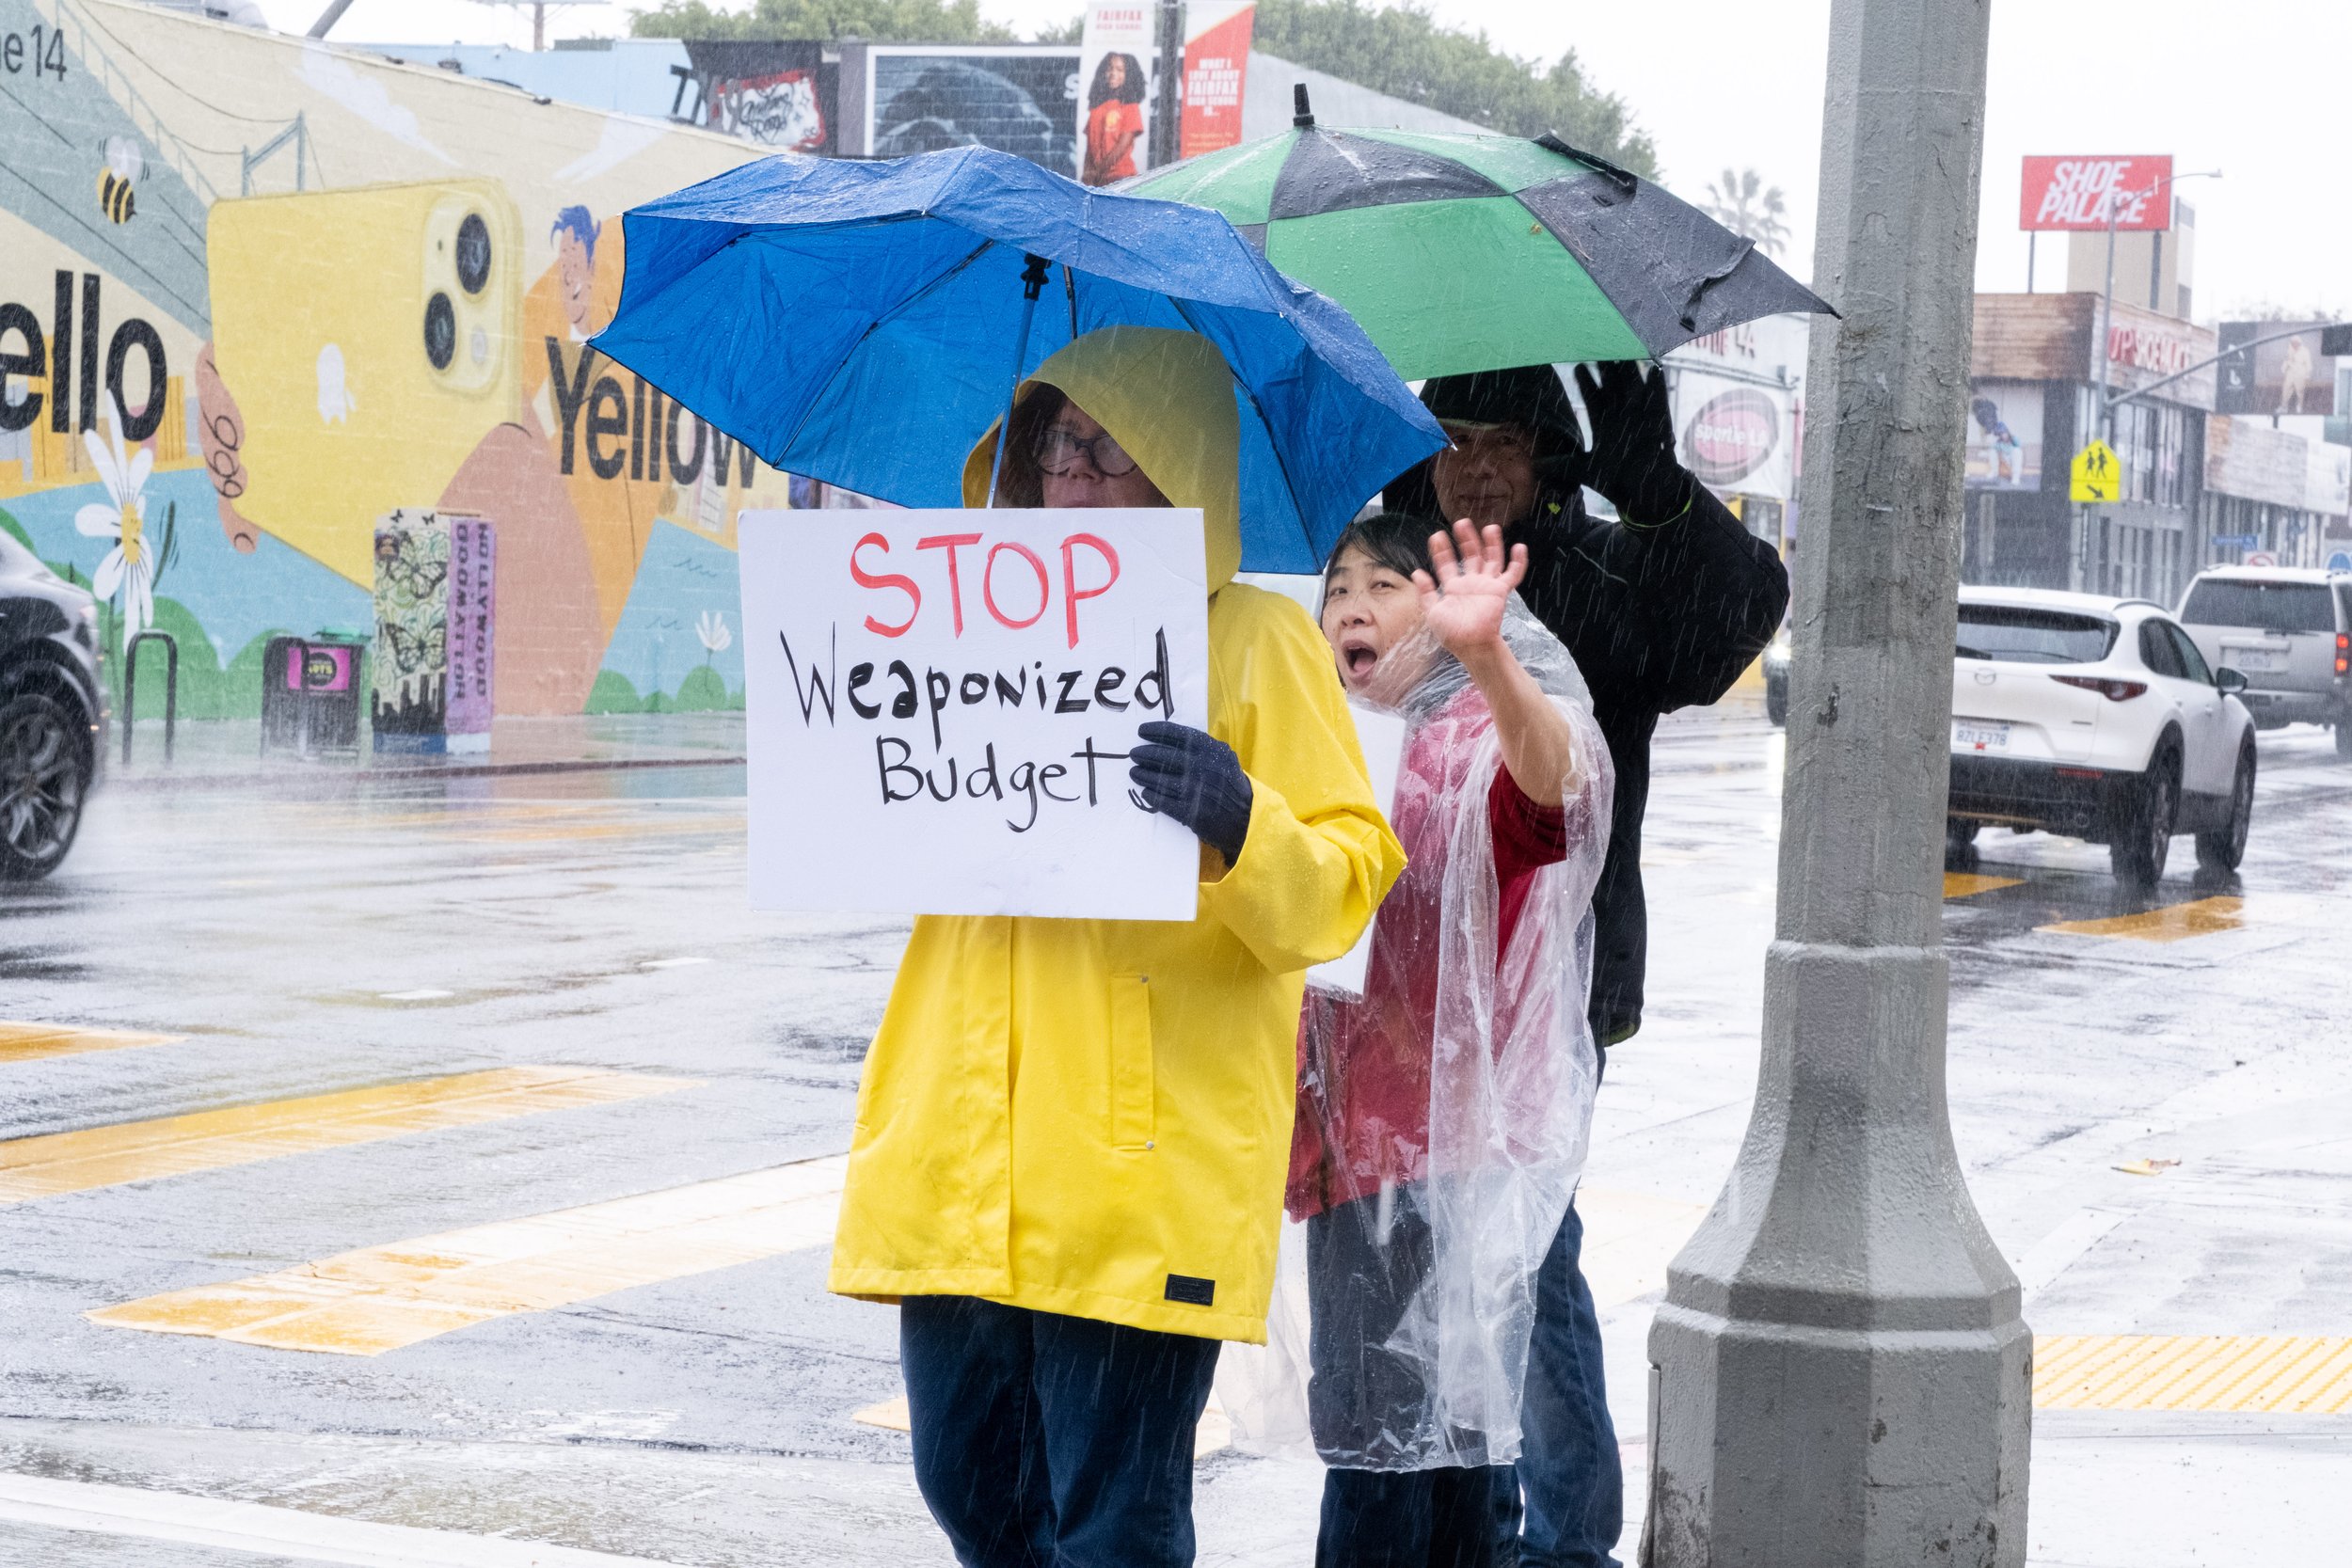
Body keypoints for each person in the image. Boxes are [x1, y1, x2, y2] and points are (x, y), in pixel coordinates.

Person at [827, 325, 1407, 1568]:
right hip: (962, 1151)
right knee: (969, 1487)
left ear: (1181, 469)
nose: (1078, 478)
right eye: (1057, 447)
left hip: (1136, 1166)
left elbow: (1344, 886)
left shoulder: (1259, 640)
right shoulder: (958, 617)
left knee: (1114, 1523)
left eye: (1114, 448)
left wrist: (1241, 815)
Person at [1384, 361, 1788, 1567]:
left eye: (1503, 441)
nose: (1474, 467)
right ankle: (1470, 1514)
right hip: (1401, 976)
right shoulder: (1388, 565)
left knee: (1527, 1241)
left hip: (1553, 975)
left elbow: (1734, 620)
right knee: (1427, 1239)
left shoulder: (1601, 574)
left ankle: (1560, 1535)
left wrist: (1656, 488)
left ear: (1548, 454)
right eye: (1452, 439)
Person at [1291, 513, 1614, 1568]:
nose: (1350, 602)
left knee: (1429, 1471)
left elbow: (1551, 790)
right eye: (1337, 584)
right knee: (1407, 1458)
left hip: (1454, 1161)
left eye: (1383, 585)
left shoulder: (1468, 746)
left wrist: (1488, 662)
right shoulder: (1317, 753)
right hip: (1352, 1165)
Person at [1082, 52, 1147, 185]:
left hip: (1121, 178)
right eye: (1109, 68)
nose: (1113, 73)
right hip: (1097, 180)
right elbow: (1090, 148)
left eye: (1120, 70)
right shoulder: (1096, 109)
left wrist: (1098, 171)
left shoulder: (1130, 107)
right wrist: (1087, 173)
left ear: (1129, 75)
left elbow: (1122, 146)